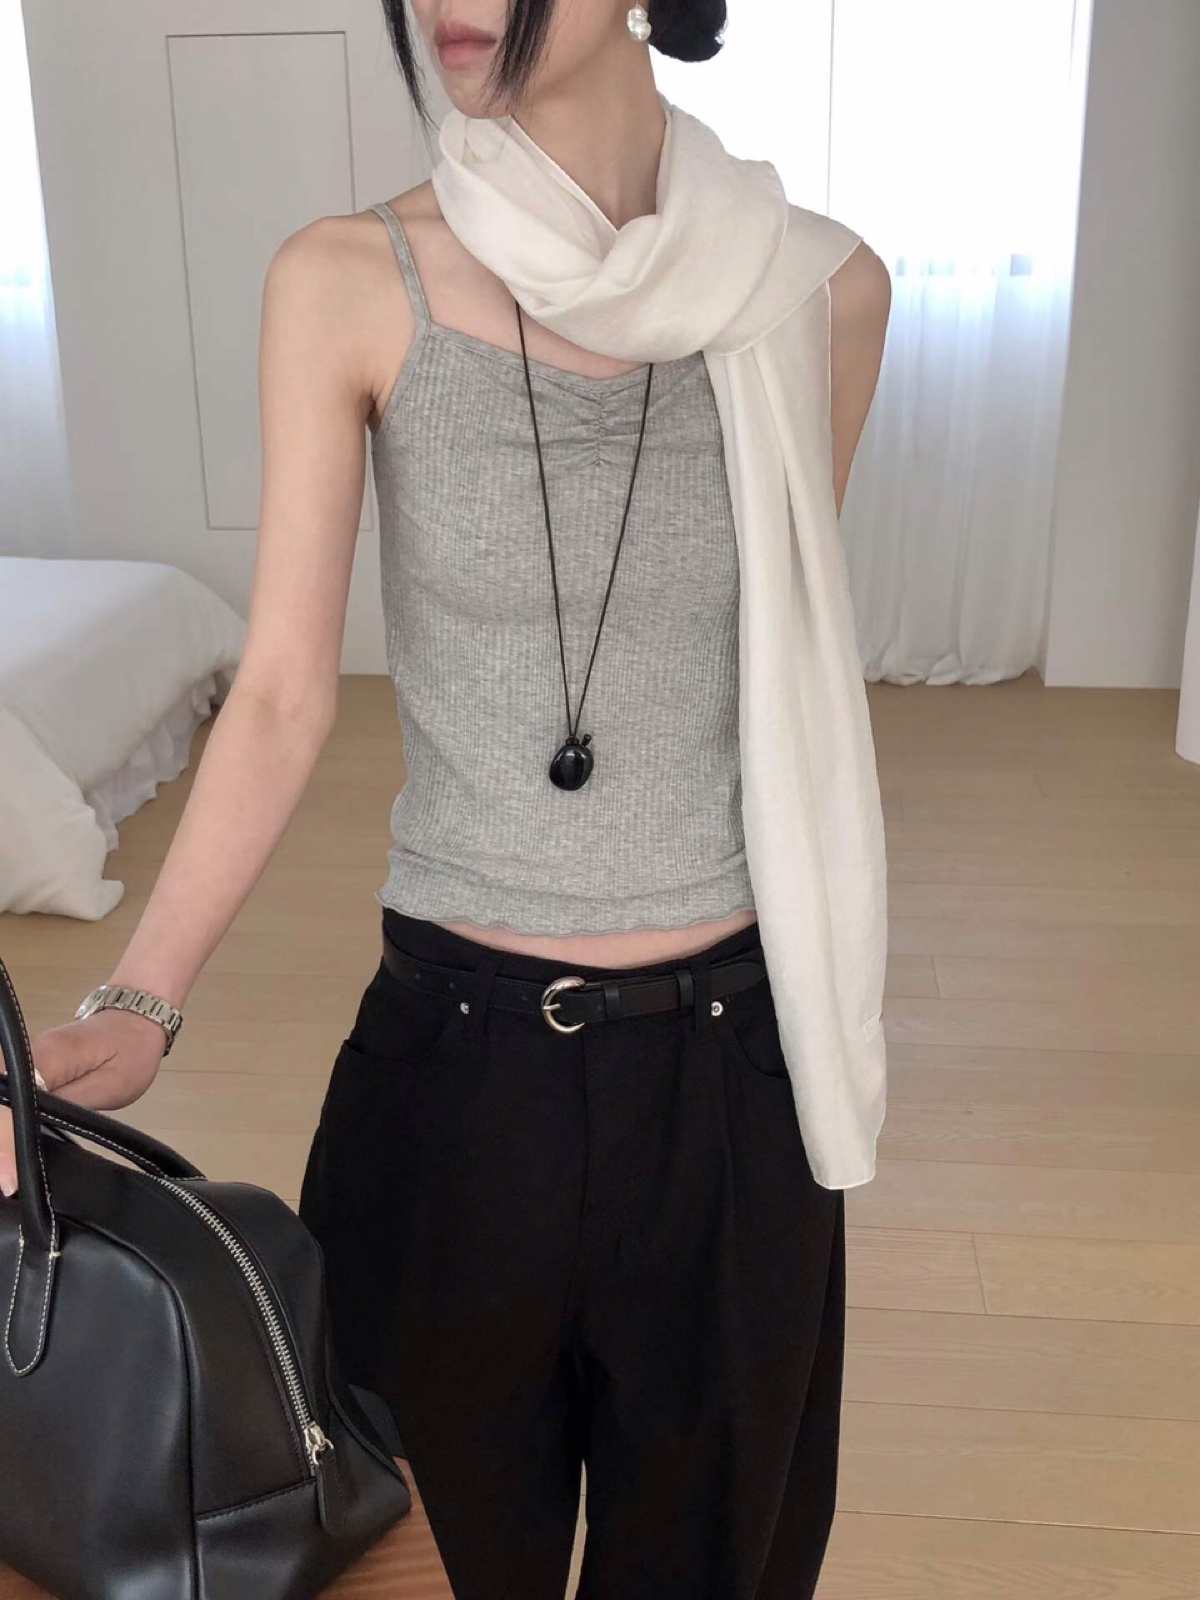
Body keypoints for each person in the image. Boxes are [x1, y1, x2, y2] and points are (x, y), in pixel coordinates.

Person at [1, 1, 890, 1595]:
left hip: (734, 1081)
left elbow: (776, 679)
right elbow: (282, 690)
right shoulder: (349, 279)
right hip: (457, 1077)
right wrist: (144, 995)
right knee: (422, 1566)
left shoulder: (819, 294)